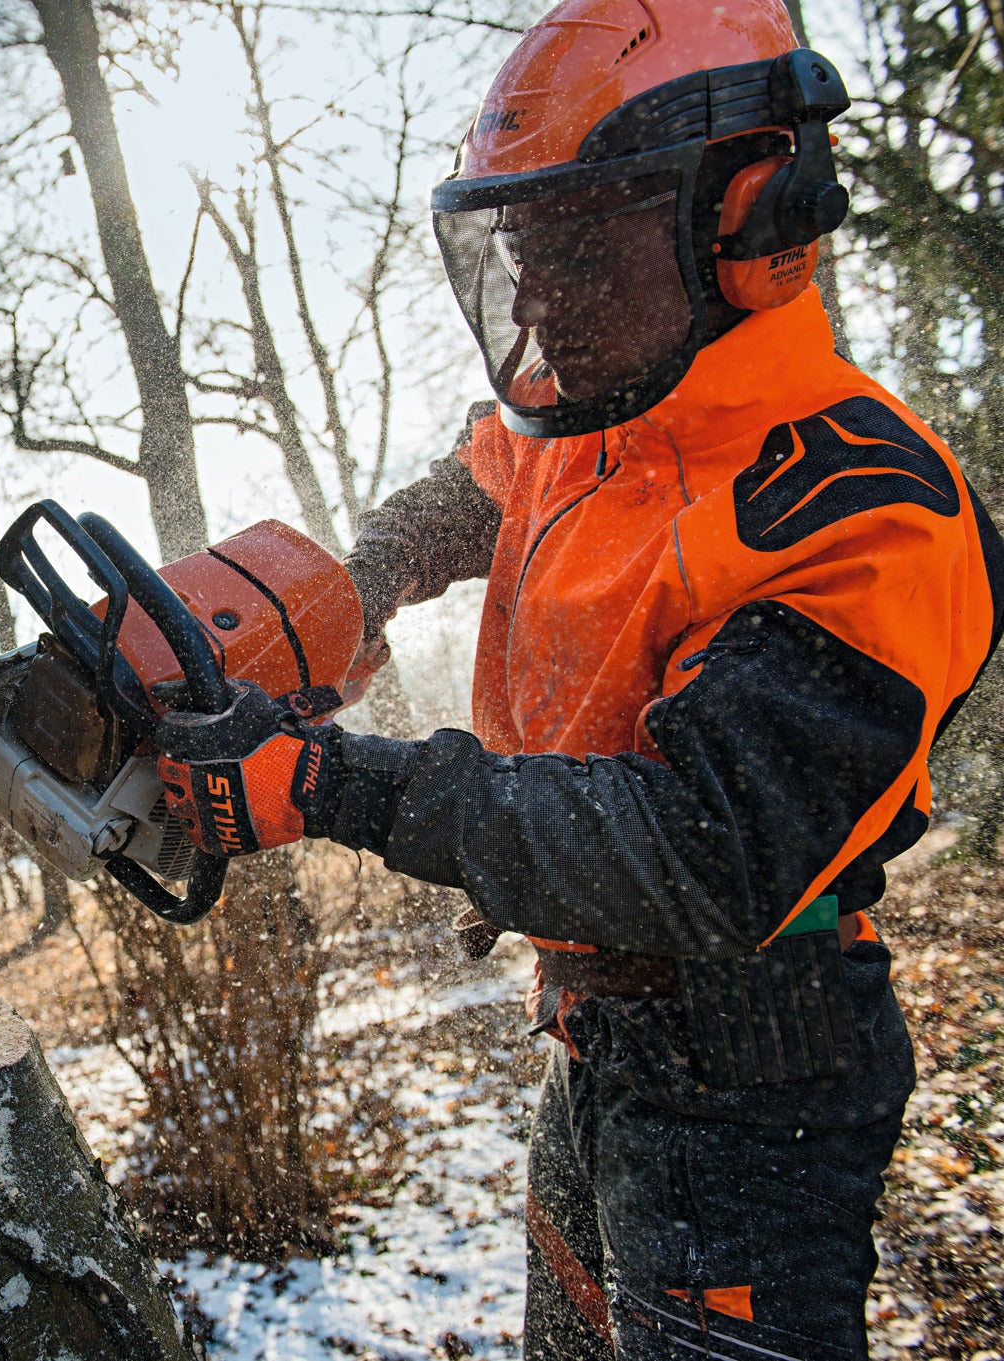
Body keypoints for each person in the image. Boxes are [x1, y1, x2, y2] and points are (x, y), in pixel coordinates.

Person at [148, 0, 1004, 1355]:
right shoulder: (600, 419)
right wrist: (354, 590)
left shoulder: (861, 509)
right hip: (603, 1044)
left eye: (582, 253)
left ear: (749, 219)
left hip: (755, 1079)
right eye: (526, 256)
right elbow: (474, 491)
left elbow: (699, 847)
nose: (543, 302)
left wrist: (335, 783)